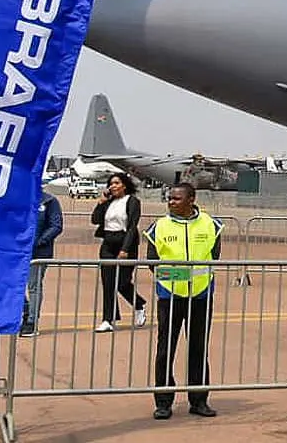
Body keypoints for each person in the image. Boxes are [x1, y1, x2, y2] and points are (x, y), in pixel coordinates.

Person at [145, 182, 224, 420]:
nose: (171, 202)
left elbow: (214, 256)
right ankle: (163, 402)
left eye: (176, 199)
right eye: (169, 198)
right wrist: (181, 276)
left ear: (191, 200)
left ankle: (199, 400)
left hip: (201, 296)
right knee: (165, 350)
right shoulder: (158, 227)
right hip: (170, 296)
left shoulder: (211, 225)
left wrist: (194, 277)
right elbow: (153, 262)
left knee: (198, 348)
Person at [90, 172, 148, 332]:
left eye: (116, 183)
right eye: (111, 184)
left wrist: (125, 249)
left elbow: (132, 226)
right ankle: (108, 319)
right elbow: (95, 220)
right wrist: (100, 203)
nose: (113, 186)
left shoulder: (132, 201)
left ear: (124, 185)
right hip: (108, 243)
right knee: (108, 283)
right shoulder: (108, 202)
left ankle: (139, 304)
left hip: (125, 242)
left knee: (122, 282)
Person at [19, 186, 63, 337]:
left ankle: (32, 322)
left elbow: (56, 226)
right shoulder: (20, 199)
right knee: (14, 285)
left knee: (34, 285)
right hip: (19, 251)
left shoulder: (50, 201)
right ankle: (26, 310)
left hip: (39, 252)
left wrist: (41, 241)